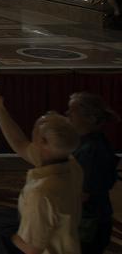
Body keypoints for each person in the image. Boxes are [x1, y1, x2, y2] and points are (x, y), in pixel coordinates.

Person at [0, 94, 83, 254]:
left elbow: (30, 247)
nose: (31, 132)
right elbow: (20, 143)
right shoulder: (72, 164)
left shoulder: (41, 192)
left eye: (35, 129)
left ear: (44, 143)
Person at [66, 92, 119, 254]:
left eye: (72, 111)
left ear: (90, 118)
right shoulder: (89, 143)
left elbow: (83, 194)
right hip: (91, 222)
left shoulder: (92, 151)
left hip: (88, 226)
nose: (67, 114)